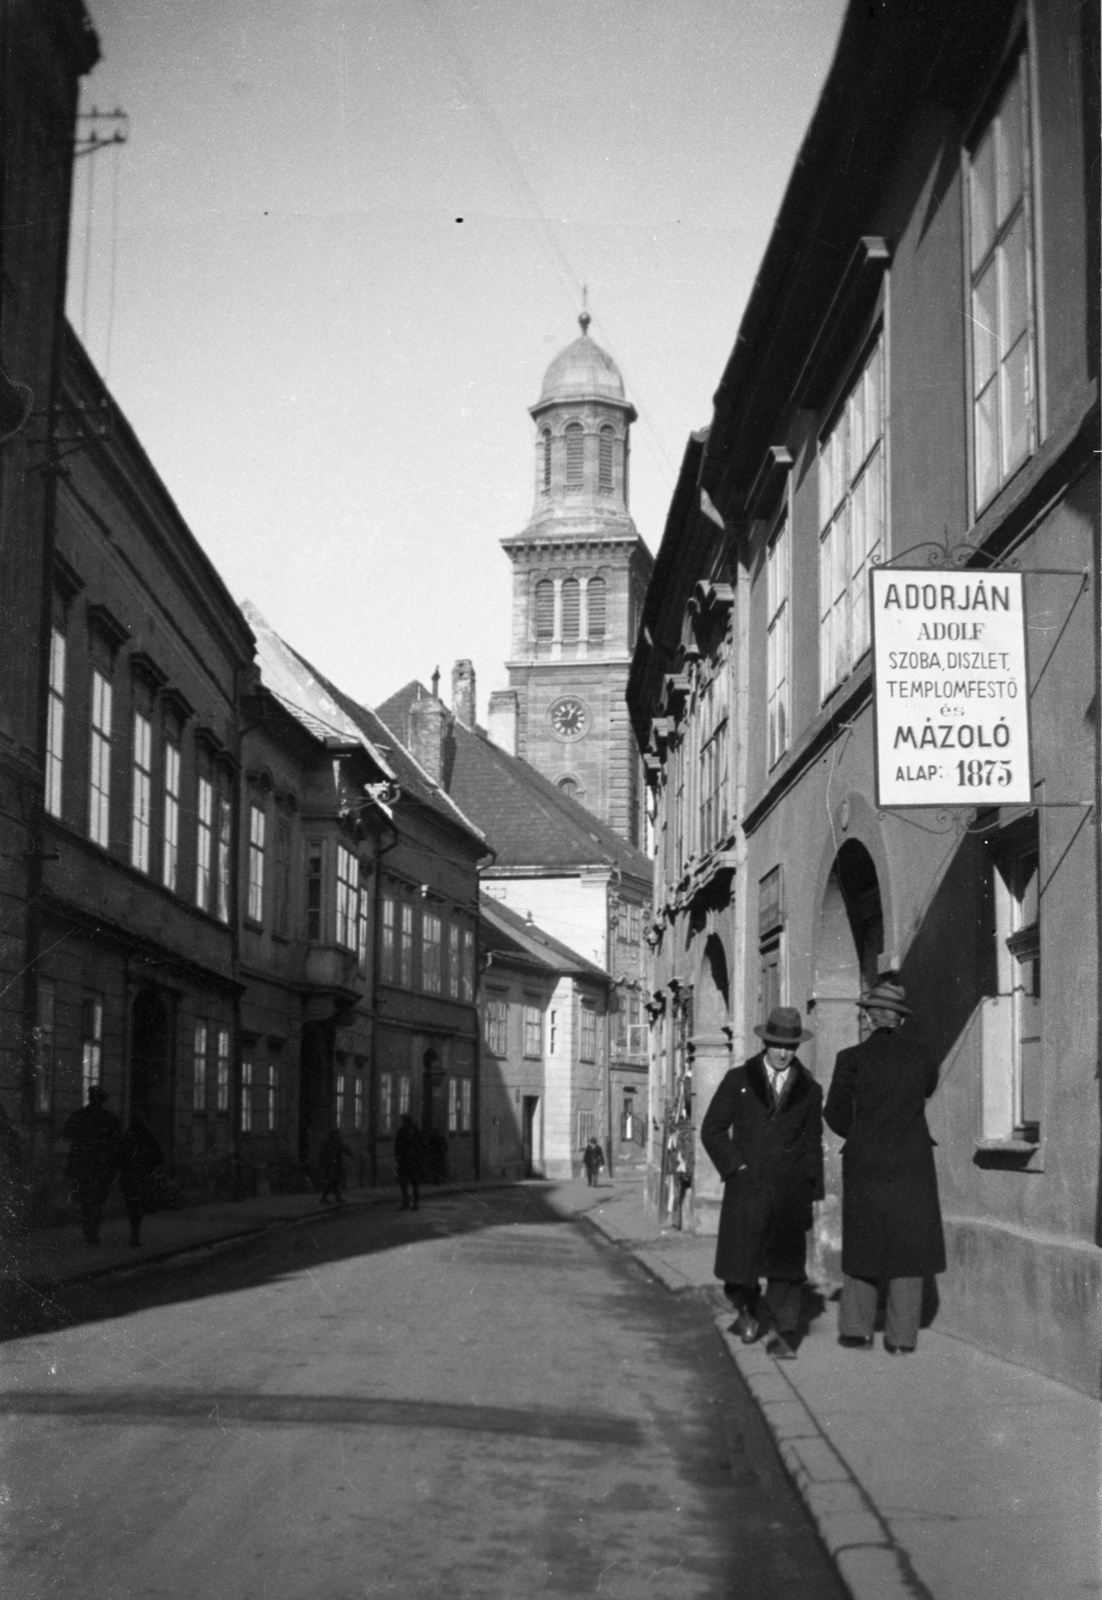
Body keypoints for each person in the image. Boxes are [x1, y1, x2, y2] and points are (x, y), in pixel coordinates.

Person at [824, 979, 946, 1355]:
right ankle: (901, 1338)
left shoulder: (850, 1059)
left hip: (865, 1163)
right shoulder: (924, 1057)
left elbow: (835, 1114)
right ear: (900, 1020)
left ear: (868, 1018)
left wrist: (861, 1135)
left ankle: (857, 1331)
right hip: (912, 1163)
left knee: (863, 1242)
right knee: (908, 1248)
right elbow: (925, 1091)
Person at [700, 1005, 824, 1360]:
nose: (784, 1053)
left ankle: (785, 1336)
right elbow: (713, 1129)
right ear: (765, 1042)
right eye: (777, 1045)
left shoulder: (810, 1089)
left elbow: (812, 1142)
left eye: (791, 1046)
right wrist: (735, 1166)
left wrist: (811, 1192)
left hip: (789, 1193)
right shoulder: (738, 1080)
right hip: (747, 1186)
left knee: (786, 1269)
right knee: (742, 1268)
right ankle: (748, 1311)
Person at [61, 1085, 121, 1244]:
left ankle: (89, 1230)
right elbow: (117, 1144)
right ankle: (92, 1231)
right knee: (97, 1200)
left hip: (84, 1165)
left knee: (87, 1199)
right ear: (103, 1100)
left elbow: (66, 1135)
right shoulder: (110, 1119)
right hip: (101, 1167)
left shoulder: (79, 1116)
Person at [117, 1111, 163, 1247]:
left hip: (129, 1177)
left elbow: (118, 1157)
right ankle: (135, 1234)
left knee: (132, 1205)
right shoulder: (148, 1138)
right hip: (141, 1177)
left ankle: (134, 1234)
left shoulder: (127, 1137)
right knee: (138, 1205)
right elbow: (158, 1157)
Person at [394, 1113, 426, 1211]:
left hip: (408, 1160)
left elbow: (397, 1146)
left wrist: (398, 1156)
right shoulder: (416, 1132)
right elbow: (423, 1146)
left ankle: (408, 1202)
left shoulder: (404, 1131)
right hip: (411, 1161)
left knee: (407, 1183)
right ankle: (412, 1203)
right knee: (412, 1183)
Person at [317, 1126, 355, 1206]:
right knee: (332, 1181)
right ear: (332, 1134)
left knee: (335, 1181)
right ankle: (325, 1197)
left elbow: (344, 1149)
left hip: (337, 1164)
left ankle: (337, 1197)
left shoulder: (338, 1141)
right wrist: (324, 1163)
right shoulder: (328, 1142)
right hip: (330, 1164)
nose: (336, 1135)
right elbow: (323, 1153)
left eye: (337, 1133)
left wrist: (352, 1155)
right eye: (335, 1133)